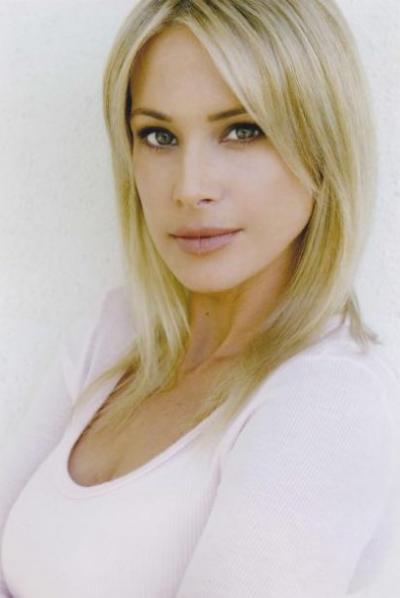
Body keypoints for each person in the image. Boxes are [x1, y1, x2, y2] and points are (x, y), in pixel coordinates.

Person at [1, 1, 399, 596]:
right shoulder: (116, 331)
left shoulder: (331, 396)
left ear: (321, 144)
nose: (190, 188)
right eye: (158, 136)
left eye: (243, 130)